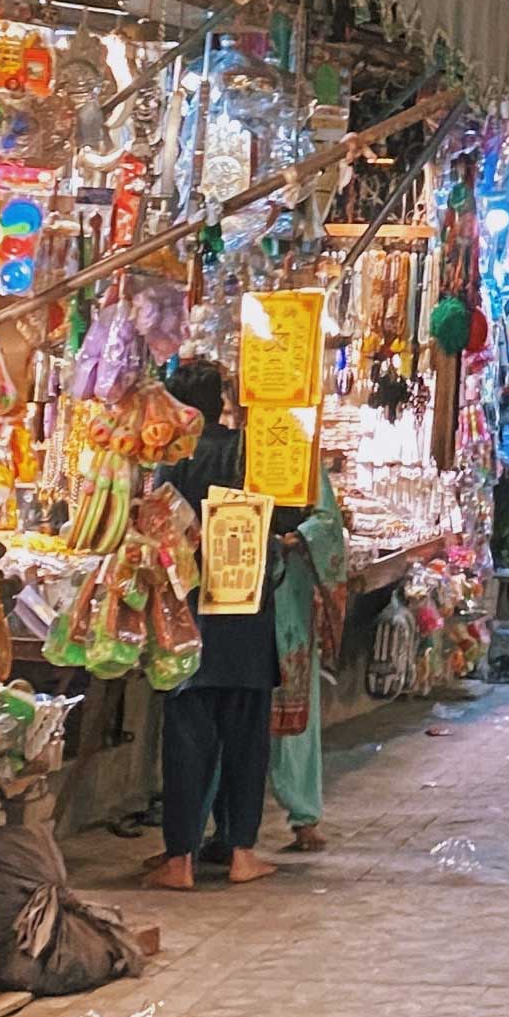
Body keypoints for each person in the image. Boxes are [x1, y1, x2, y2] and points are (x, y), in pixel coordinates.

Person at [144, 353, 281, 891]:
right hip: (246, 616)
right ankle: (242, 852)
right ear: (220, 402)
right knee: (246, 740)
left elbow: (154, 526)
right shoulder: (253, 452)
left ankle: (179, 860)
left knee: (185, 741)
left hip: (189, 615)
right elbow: (290, 514)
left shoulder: (172, 460)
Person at [268, 441, 353, 853]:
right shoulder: (237, 451)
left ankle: (304, 816)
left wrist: (293, 539)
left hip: (288, 594)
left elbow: (325, 523)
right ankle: (225, 829)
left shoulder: (299, 453)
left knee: (295, 700)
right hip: (240, 589)